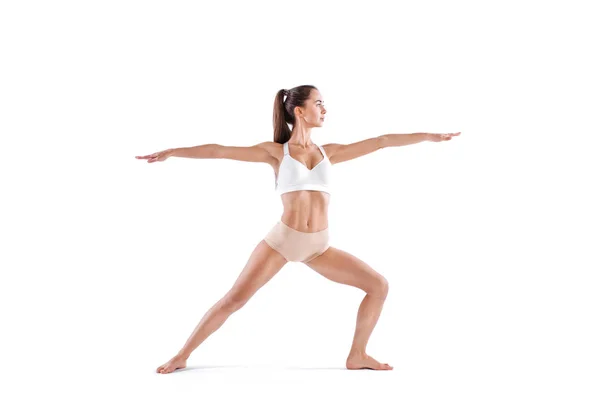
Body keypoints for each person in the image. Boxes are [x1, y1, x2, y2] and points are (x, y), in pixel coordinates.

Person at [136, 85, 461, 373]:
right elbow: (218, 150)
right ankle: (181, 355)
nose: (324, 109)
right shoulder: (276, 153)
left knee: (378, 285)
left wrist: (430, 137)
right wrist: (172, 152)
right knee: (233, 301)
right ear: (299, 110)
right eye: (318, 103)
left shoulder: (328, 153)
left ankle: (358, 354)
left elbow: (382, 141)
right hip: (282, 241)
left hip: (318, 246)